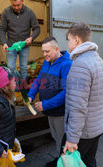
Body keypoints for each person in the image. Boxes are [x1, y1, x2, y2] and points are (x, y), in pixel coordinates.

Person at [63, 22, 103, 167]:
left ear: (76, 40)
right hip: (96, 127)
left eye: (69, 39)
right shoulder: (98, 60)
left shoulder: (80, 64)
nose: (68, 43)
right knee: (89, 161)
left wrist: (72, 139)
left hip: (83, 132)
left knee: (69, 163)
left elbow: (77, 107)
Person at [27, 37, 72, 167]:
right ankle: (60, 160)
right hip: (49, 111)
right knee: (56, 137)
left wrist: (45, 104)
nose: (44, 54)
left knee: (62, 140)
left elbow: (66, 93)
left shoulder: (66, 64)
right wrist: (30, 95)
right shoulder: (47, 62)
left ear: (56, 49)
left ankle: (65, 163)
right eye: (43, 51)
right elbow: (39, 80)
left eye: (47, 51)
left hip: (59, 112)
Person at [0, 0, 40, 79]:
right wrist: (4, 43)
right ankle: (12, 90)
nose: (16, 8)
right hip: (11, 46)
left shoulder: (29, 12)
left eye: (18, 5)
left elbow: (37, 28)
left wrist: (31, 38)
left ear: (22, 1)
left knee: (24, 69)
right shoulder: (6, 12)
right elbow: (2, 29)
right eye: (14, 5)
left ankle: (23, 90)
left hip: (24, 46)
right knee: (10, 69)